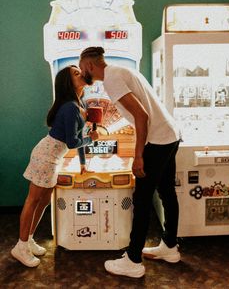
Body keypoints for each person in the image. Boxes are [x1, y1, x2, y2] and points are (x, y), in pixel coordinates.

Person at [79, 47, 181, 278]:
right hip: (170, 135)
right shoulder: (122, 70)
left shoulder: (111, 78)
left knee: (142, 199)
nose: (81, 71)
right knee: (166, 193)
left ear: (89, 65)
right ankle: (170, 247)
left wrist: (138, 156)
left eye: (81, 66)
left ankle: (133, 260)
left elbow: (141, 115)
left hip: (157, 140)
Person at [11, 65, 98, 267]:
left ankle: (29, 239)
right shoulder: (70, 107)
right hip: (45, 156)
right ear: (69, 83)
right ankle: (20, 246)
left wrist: (83, 164)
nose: (81, 74)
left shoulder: (79, 104)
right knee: (33, 200)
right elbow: (73, 142)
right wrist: (90, 139)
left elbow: (77, 137)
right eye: (76, 74)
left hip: (53, 158)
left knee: (43, 202)